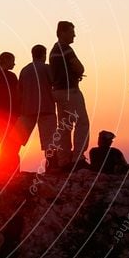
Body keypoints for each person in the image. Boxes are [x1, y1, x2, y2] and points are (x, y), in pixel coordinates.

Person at [50, 21, 90, 170]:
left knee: (64, 126)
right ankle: (78, 159)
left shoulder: (54, 50)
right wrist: (78, 73)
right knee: (82, 122)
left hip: (57, 92)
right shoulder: (66, 49)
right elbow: (79, 67)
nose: (74, 35)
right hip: (70, 91)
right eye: (72, 32)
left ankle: (63, 160)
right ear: (63, 32)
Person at [17, 44, 56, 170]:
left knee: (18, 138)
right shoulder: (47, 68)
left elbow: (20, 91)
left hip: (27, 109)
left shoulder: (24, 70)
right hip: (46, 107)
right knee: (50, 141)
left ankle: (8, 164)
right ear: (44, 54)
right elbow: (55, 83)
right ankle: (51, 167)